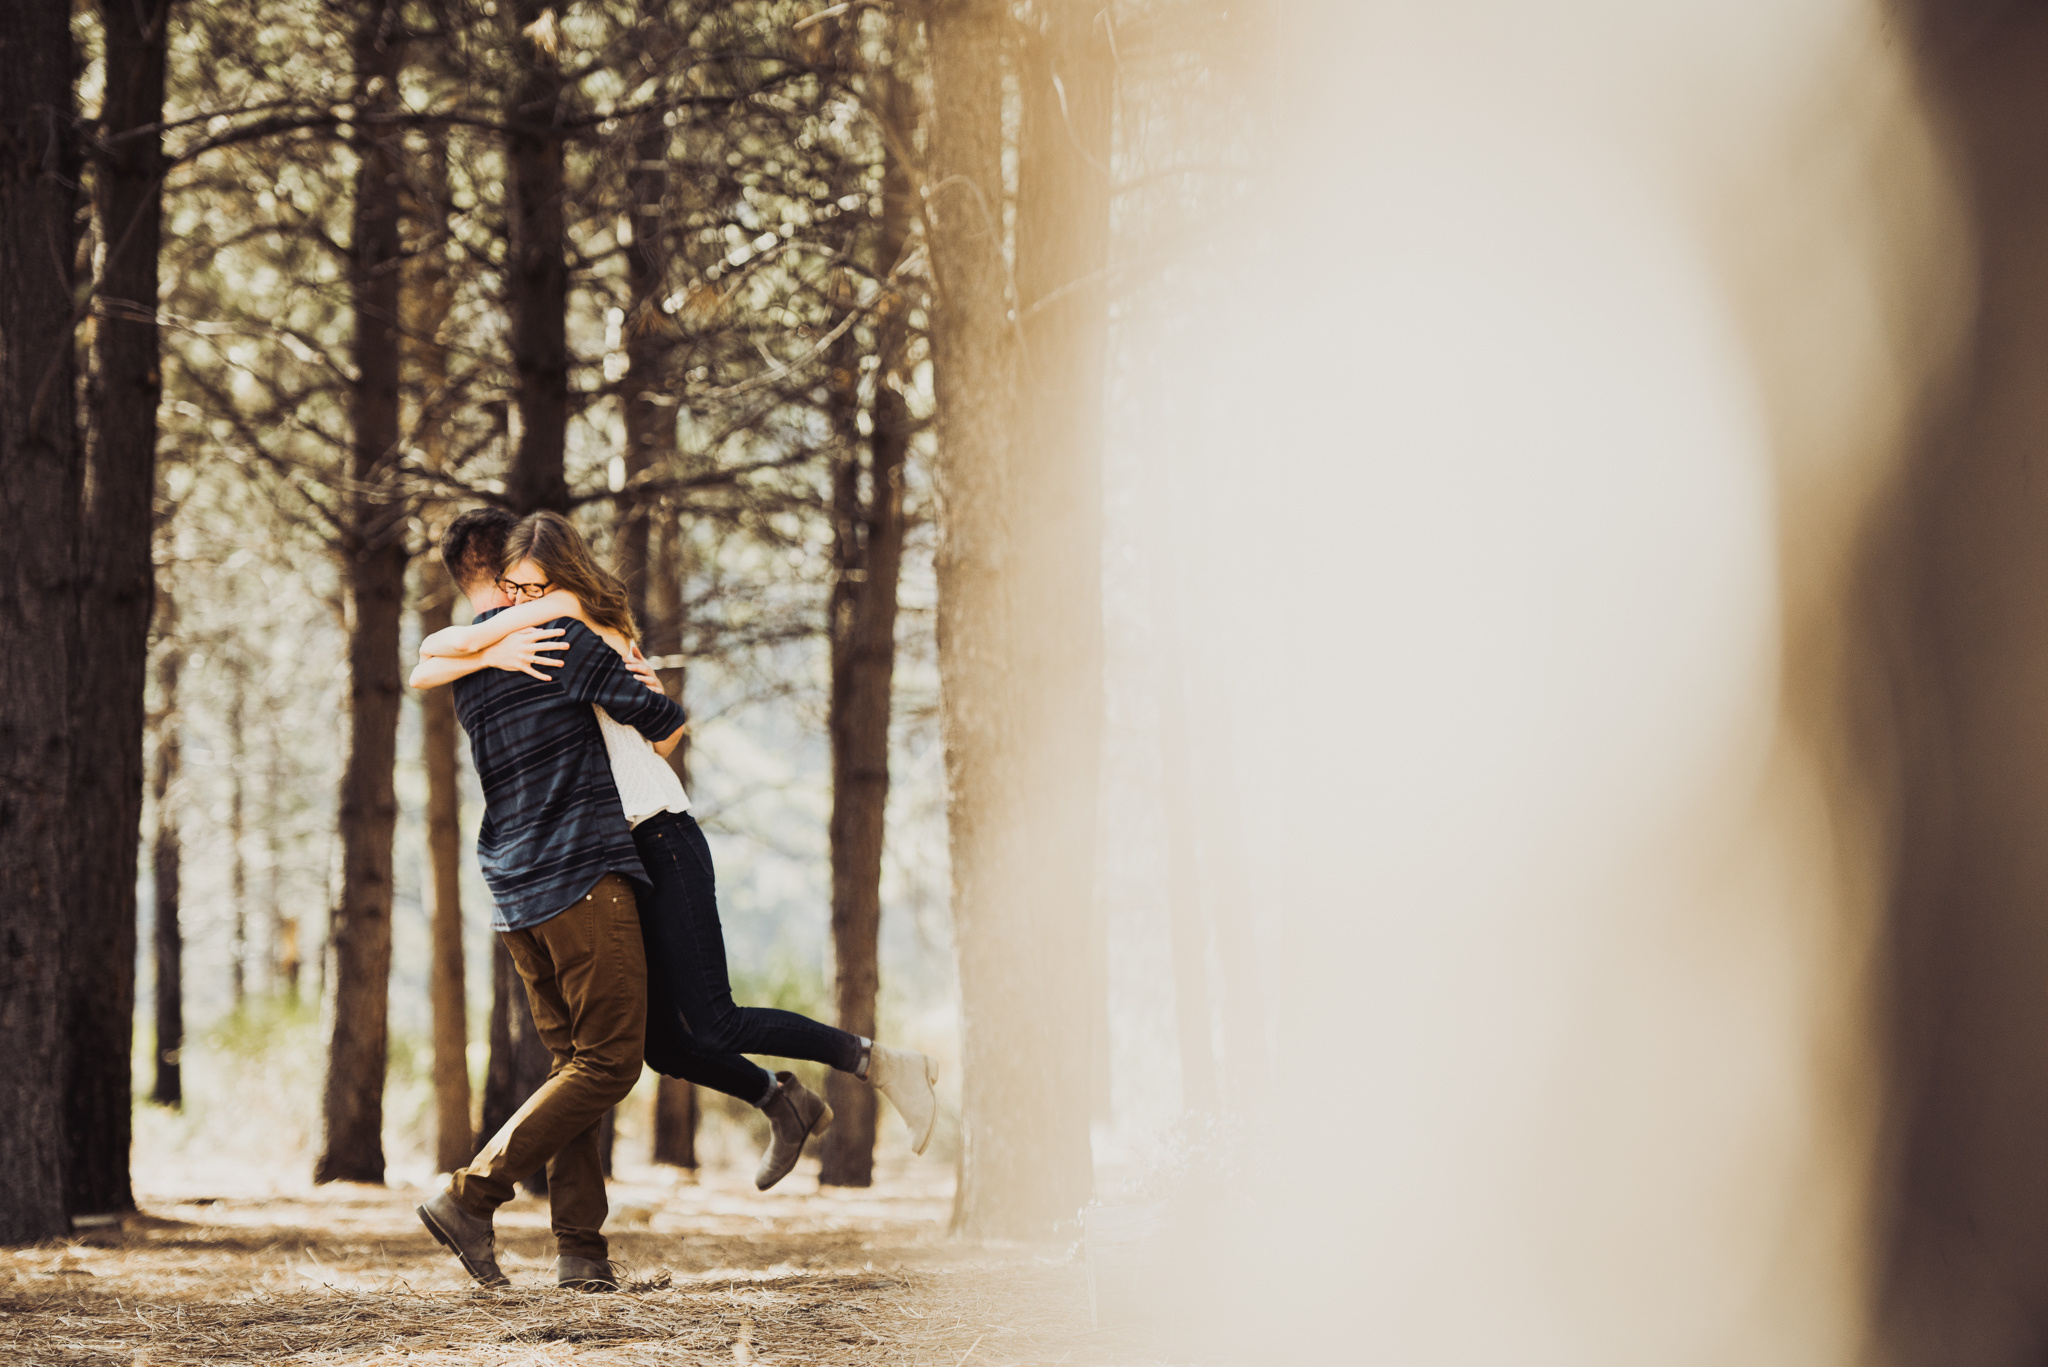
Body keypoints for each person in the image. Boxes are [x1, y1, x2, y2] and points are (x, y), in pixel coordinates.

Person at [413, 512, 939, 1186]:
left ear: (559, 578)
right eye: (512, 587)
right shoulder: (539, 627)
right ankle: (783, 1101)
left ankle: (882, 1062)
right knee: (661, 1042)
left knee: (714, 1018)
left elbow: (664, 727)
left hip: (659, 830)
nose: (519, 601)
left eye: (531, 586)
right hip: (621, 848)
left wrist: (498, 637)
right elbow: (431, 658)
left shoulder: (566, 622)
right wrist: (492, 648)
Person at [409, 507, 686, 1292]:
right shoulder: (556, 637)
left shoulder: (467, 666)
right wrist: (650, 686)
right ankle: (472, 1194)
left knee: (573, 1063)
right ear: (511, 575)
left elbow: (430, 657)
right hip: (580, 874)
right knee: (610, 1060)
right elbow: (664, 723)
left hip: (513, 887)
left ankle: (581, 1253)